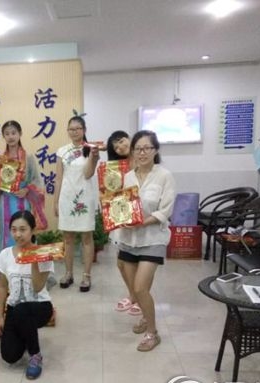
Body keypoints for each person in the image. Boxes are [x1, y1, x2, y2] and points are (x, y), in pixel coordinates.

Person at [113, 130, 176, 351]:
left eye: (147, 148)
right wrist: (120, 218)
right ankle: (145, 317)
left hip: (153, 238)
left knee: (140, 288)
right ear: (133, 152)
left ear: (155, 150)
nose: (142, 153)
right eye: (138, 149)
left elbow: (165, 210)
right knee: (135, 287)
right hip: (129, 238)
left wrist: (142, 222)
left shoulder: (164, 176)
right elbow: (123, 206)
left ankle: (153, 333)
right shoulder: (128, 177)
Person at [0, 210, 54, 380]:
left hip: (40, 306)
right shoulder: (5, 254)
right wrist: (0, 316)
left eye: (23, 229)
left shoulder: (44, 254)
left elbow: (37, 287)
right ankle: (26, 335)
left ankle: (35, 355)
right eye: (14, 230)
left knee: (22, 310)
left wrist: (34, 259)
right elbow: (2, 286)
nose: (18, 234)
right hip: (15, 308)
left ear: (33, 230)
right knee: (9, 356)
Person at [0, 120, 47, 251]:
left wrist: (26, 189)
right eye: (7, 134)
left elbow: (37, 180)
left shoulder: (28, 157)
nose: (10, 136)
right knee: (7, 231)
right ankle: (7, 261)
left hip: (23, 200)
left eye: (13, 133)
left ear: (20, 134)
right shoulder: (0, 159)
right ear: (3, 136)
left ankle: (26, 260)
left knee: (24, 229)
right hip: (5, 201)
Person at [54, 115, 100, 292]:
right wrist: (56, 201)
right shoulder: (62, 151)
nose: (74, 132)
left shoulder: (91, 149)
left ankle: (86, 276)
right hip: (66, 197)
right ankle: (68, 273)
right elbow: (59, 179)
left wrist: (94, 157)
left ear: (84, 130)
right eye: (71, 129)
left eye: (78, 129)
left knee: (87, 238)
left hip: (85, 198)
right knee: (67, 239)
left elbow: (88, 174)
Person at [105, 130, 141, 316]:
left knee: (137, 263)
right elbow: (110, 192)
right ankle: (133, 295)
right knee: (121, 263)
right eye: (115, 147)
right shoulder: (116, 167)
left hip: (142, 217)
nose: (120, 147)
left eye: (121, 141)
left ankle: (140, 298)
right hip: (123, 215)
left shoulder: (142, 159)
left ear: (129, 138)